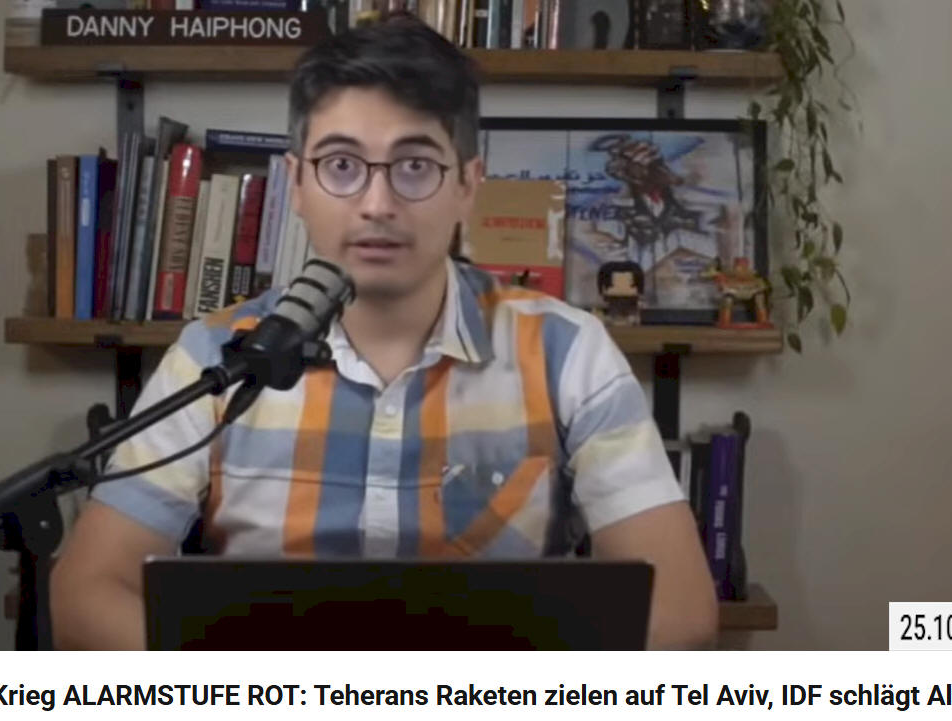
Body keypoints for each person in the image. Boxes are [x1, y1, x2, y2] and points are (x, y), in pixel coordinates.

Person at [51, 14, 717, 651]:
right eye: (341, 165)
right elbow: (86, 595)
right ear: (296, 184)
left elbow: (681, 610)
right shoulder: (214, 357)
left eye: (415, 166)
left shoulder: (568, 353)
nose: (377, 204)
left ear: (468, 185)